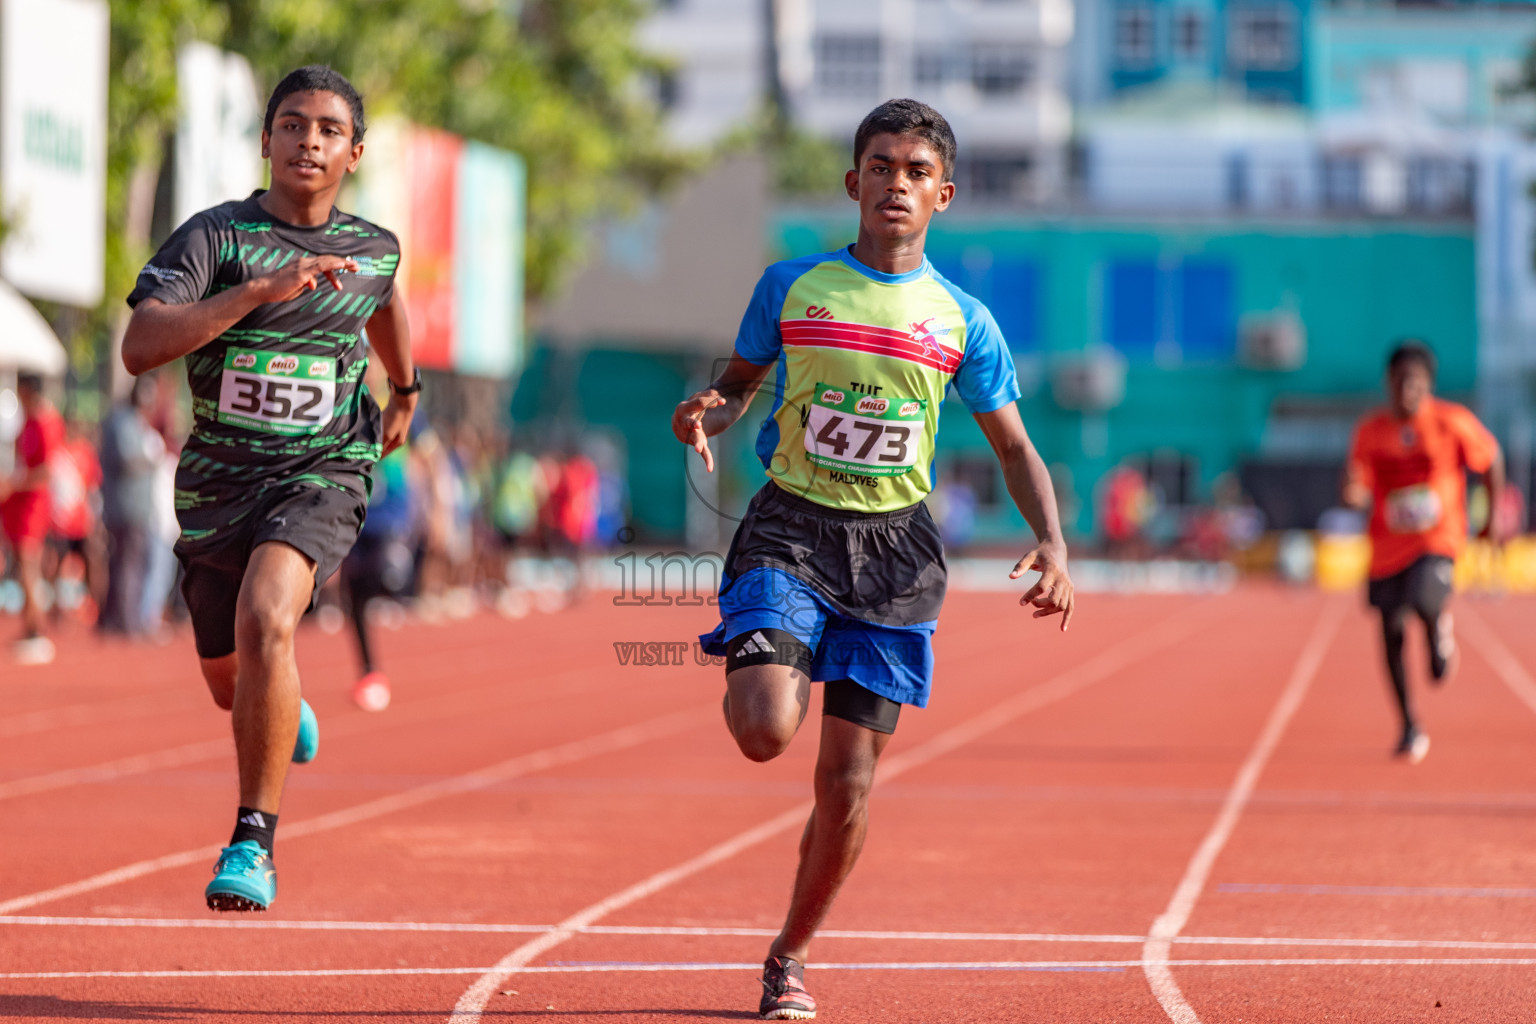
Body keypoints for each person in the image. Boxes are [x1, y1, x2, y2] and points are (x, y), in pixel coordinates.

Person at [671, 99, 1075, 1020]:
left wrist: (1052, 542)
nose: (897, 182)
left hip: (896, 556)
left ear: (945, 195)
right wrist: (706, 414)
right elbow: (736, 390)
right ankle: (770, 651)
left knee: (847, 780)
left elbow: (1014, 448)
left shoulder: (963, 321)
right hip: (791, 527)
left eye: (917, 171)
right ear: (853, 181)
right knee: (766, 729)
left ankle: (790, 955)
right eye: (881, 165)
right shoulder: (792, 286)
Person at [122, 65, 417, 912]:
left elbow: (386, 301)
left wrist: (406, 390)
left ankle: (253, 842)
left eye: (328, 129)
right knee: (231, 675)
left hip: (323, 469)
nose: (308, 142)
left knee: (266, 616)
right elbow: (141, 344)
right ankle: (280, 705)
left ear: (353, 152)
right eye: (292, 125)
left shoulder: (373, 248)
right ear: (266, 139)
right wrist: (256, 294)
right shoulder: (213, 240)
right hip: (220, 482)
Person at [1344, 341, 1503, 764]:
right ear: (1388, 383)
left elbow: (1491, 460)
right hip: (1386, 548)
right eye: (1398, 382)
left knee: (1423, 598)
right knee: (1391, 632)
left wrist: (1492, 521)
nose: (1406, 391)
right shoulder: (1370, 430)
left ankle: (1437, 629)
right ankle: (1409, 725)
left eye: (1414, 383)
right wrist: (1355, 493)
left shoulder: (1451, 422)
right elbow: (1357, 478)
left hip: (1438, 537)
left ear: (1428, 385)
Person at [1, 373, 64, 664]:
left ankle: (36, 628)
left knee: (29, 566)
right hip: (20, 503)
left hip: (33, 505)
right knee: (24, 565)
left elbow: (45, 471)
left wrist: (16, 482)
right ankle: (30, 626)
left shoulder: (46, 422)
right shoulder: (26, 422)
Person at [98, 375, 164, 636]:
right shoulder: (123, 421)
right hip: (126, 507)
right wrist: (154, 460)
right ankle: (126, 621)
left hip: (134, 506)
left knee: (122, 562)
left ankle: (113, 619)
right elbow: (127, 460)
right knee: (128, 564)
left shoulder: (135, 421)